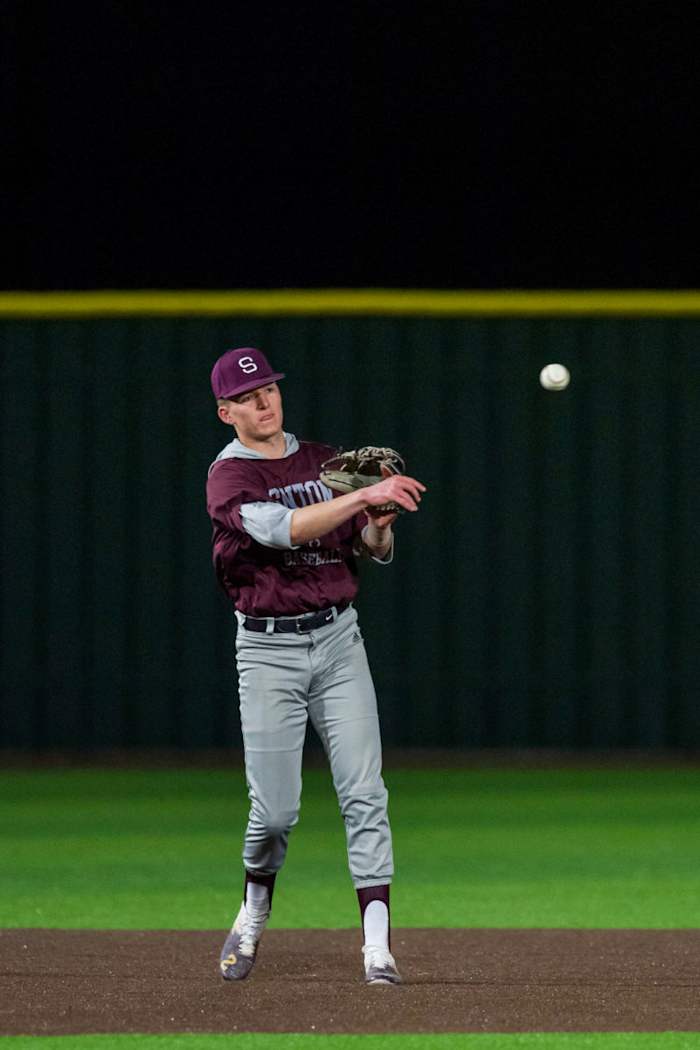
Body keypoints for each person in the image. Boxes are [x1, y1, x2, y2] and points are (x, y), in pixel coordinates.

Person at [205, 346, 426, 985]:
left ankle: (377, 947)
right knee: (273, 813)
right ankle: (253, 909)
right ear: (227, 412)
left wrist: (378, 520)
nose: (263, 402)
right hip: (268, 649)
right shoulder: (228, 477)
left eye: (268, 389)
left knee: (365, 793)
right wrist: (366, 495)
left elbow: (370, 547)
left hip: (337, 642)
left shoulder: (324, 463)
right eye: (247, 398)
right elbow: (285, 530)